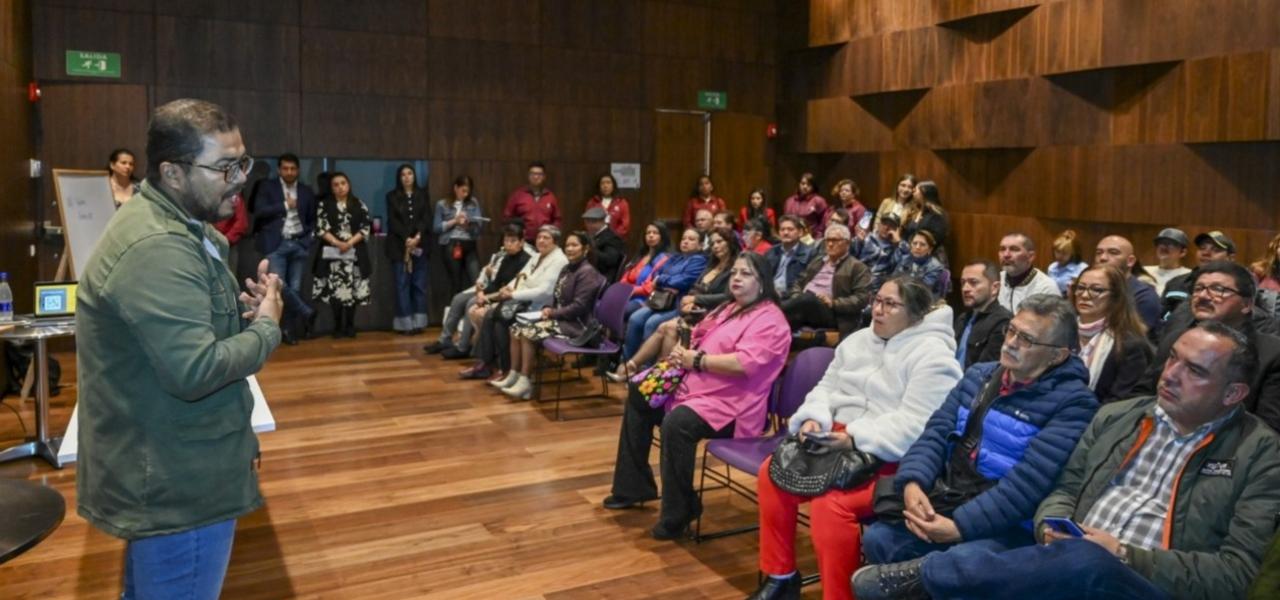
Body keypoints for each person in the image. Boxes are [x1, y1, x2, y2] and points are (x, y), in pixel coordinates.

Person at [857, 322, 1280, 600]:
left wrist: (1123, 554)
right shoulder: (1120, 416)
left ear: (1233, 394)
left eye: (1195, 371)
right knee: (885, 540)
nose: (1169, 374)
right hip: (1064, 556)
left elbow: (1235, 573)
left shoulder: (1259, 454)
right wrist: (1050, 527)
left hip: (1143, 582)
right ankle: (940, 576)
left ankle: (931, 578)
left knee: (1086, 561)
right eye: (1172, 358)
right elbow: (1064, 489)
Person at [77, 98, 282, 600]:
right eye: (224, 167)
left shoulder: (178, 226)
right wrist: (268, 329)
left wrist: (241, 314)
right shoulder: (157, 247)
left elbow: (185, 328)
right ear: (172, 172)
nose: (239, 179)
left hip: (174, 464)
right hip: (178, 484)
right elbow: (196, 369)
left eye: (244, 163)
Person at [853, 295, 1099, 600]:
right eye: (1011, 330)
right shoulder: (979, 375)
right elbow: (935, 433)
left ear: (1058, 356)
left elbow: (1030, 484)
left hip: (1009, 523)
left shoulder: (1074, 403)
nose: (1010, 342)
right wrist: (913, 482)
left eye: (1027, 339)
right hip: (953, 495)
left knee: (964, 563)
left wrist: (960, 527)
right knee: (880, 539)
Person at [745, 277, 963, 600]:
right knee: (771, 474)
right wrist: (813, 419)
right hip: (835, 438)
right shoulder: (858, 340)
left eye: (890, 304)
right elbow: (826, 388)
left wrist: (855, 439)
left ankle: (840, 595)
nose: (878, 309)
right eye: (877, 300)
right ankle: (781, 577)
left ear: (915, 314)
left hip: (891, 457)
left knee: (830, 506)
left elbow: (918, 426)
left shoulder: (934, 357)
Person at [604, 253, 791, 541]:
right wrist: (683, 349)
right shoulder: (730, 307)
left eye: (747, 274)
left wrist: (698, 360)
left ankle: (679, 512)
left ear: (763, 282)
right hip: (696, 388)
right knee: (639, 394)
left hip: (732, 406)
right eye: (736, 272)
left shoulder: (771, 320)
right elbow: (700, 334)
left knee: (677, 424)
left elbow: (744, 364)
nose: (737, 278)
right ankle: (633, 486)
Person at [1133, 262, 1280, 431]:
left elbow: (1268, 428)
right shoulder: (1177, 338)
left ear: (1246, 305)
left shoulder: (1272, 354)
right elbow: (1142, 393)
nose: (1203, 296)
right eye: (1198, 288)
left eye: (1218, 289)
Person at [495, 231, 606, 399]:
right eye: (567, 245)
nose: (569, 249)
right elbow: (558, 297)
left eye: (574, 245)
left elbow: (579, 307)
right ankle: (514, 375)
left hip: (577, 325)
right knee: (515, 328)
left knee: (527, 332)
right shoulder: (568, 268)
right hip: (562, 318)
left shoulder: (587, 272)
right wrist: (549, 308)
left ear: (585, 249)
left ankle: (525, 383)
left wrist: (552, 313)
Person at [462, 225, 568, 381]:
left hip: (542, 307)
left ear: (555, 241)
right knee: (492, 314)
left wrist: (513, 295)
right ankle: (486, 363)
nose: (541, 241)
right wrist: (507, 289)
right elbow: (520, 277)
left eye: (546, 238)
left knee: (501, 320)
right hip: (524, 301)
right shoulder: (537, 256)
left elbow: (545, 291)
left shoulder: (559, 260)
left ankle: (506, 369)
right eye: (539, 237)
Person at [428, 223, 532, 358]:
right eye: (506, 240)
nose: (509, 244)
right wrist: (482, 293)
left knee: (471, 303)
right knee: (460, 298)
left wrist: (486, 296)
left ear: (521, 242)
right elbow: (495, 283)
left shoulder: (526, 260)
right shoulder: (506, 257)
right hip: (495, 291)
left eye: (513, 241)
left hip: (509, 297)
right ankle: (446, 340)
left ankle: (463, 346)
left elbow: (513, 287)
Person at [253, 152, 317, 344]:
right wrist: (284, 205)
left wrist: (308, 238)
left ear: (298, 170)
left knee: (295, 289)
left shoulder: (306, 191)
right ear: (279, 170)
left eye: (293, 169)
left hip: (299, 243)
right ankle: (306, 312)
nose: (289, 172)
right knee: (279, 285)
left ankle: (288, 331)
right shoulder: (267, 187)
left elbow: (313, 218)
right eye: (285, 168)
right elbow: (259, 211)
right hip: (276, 243)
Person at [1072, 265, 1154, 403]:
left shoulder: (1130, 346)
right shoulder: (1061, 332)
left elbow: (1119, 402)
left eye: (1096, 290)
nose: (1085, 295)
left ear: (1115, 296)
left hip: (1099, 419)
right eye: (1080, 288)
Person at [623, 229, 709, 360]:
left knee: (652, 323)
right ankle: (626, 362)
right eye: (684, 238)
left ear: (701, 245)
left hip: (677, 304)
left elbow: (684, 281)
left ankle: (646, 368)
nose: (685, 242)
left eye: (691, 239)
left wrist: (663, 281)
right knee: (636, 318)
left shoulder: (699, 260)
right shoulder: (676, 257)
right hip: (659, 300)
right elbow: (657, 274)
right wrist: (667, 282)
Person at [781, 223, 872, 339]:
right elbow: (799, 282)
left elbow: (862, 299)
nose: (829, 244)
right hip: (804, 305)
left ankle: (773, 311)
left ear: (847, 243)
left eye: (835, 240)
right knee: (787, 303)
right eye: (827, 240)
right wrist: (796, 295)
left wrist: (834, 302)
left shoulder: (858, 267)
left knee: (807, 299)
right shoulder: (818, 261)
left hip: (833, 313)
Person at [312, 172, 371, 339]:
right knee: (335, 292)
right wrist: (338, 243)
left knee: (352, 292)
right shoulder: (325, 204)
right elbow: (321, 228)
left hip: (354, 255)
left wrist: (349, 243)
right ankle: (337, 326)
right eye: (336, 184)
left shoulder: (359, 204)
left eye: (343, 183)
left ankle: (350, 325)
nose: (340, 187)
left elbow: (365, 228)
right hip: (333, 255)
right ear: (331, 188)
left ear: (349, 184)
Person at [386, 164, 429, 335]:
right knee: (402, 284)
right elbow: (393, 221)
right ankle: (405, 323)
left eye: (410, 173)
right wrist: (407, 239)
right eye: (403, 174)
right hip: (399, 246)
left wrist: (417, 238)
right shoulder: (391, 196)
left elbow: (426, 218)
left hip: (421, 244)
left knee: (419, 285)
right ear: (399, 177)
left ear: (414, 176)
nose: (407, 177)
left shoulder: (423, 195)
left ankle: (419, 322)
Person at [1161, 230, 1238, 319]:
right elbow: (1160, 319)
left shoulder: (1239, 287)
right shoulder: (1176, 283)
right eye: (1202, 248)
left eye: (1216, 250)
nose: (1206, 253)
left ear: (1230, 258)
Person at [1094, 235, 1162, 330]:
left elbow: (1134, 338)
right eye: (1098, 252)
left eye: (1113, 253)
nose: (1103, 258)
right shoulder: (1090, 289)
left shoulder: (1144, 296)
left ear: (1130, 261)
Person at [954, 260, 1011, 369]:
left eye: (973, 282)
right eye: (963, 282)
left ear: (994, 288)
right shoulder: (962, 319)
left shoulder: (1003, 322)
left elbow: (985, 372)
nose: (965, 289)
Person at [434, 174, 484, 299]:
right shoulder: (442, 204)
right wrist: (454, 221)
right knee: (456, 282)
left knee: (476, 279)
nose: (466, 194)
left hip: (469, 242)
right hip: (452, 243)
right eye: (463, 191)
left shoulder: (473, 203)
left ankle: (473, 310)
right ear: (456, 188)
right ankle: (454, 312)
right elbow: (436, 228)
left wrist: (468, 225)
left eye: (468, 191)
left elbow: (479, 228)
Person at [997, 233, 1060, 314]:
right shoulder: (995, 279)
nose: (1006, 255)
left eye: (1014, 249)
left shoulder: (1046, 288)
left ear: (1030, 256)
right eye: (1002, 249)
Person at [620, 221, 673, 315]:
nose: (651, 235)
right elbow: (627, 275)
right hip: (628, 294)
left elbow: (650, 287)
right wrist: (623, 287)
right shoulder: (641, 255)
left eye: (655, 233)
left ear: (663, 236)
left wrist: (631, 290)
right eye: (648, 233)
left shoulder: (665, 258)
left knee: (621, 310)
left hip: (646, 299)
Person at [503, 161, 561, 243]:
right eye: (533, 174)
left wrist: (551, 233)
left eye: (539, 174)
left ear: (544, 177)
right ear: (528, 176)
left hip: (544, 241)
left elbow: (557, 219)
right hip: (523, 241)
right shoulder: (518, 195)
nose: (536, 177)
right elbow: (507, 217)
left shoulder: (550, 197)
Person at [766, 215, 816, 298]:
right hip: (770, 295)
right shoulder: (771, 252)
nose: (785, 233)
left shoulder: (810, 253)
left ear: (800, 232)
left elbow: (807, 282)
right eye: (782, 229)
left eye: (790, 229)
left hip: (792, 298)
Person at [857, 211, 907, 293]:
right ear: (879, 224)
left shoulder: (896, 248)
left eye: (891, 226)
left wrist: (899, 242)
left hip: (878, 289)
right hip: (859, 281)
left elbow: (905, 263)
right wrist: (858, 242)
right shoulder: (865, 238)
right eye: (884, 224)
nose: (886, 228)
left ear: (896, 230)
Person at [900, 180, 948, 261]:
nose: (913, 192)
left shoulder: (936, 214)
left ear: (924, 193)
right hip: (911, 254)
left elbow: (935, 239)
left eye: (916, 190)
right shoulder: (915, 211)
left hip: (931, 258)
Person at [893, 231, 947, 299]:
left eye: (922, 244)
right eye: (915, 243)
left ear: (930, 249)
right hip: (903, 297)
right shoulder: (905, 259)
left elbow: (921, 290)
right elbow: (893, 279)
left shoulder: (935, 267)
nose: (917, 247)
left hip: (924, 302)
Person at [212, 192, 249, 282]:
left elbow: (241, 223)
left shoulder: (234, 196)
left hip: (228, 245)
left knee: (228, 280)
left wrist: (225, 240)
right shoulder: (204, 194)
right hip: (205, 243)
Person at [1144, 228, 1191, 296]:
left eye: (1170, 244)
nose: (1163, 246)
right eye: (1160, 243)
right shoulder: (1144, 271)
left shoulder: (1189, 275)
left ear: (1183, 252)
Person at [584, 206, 625, 281]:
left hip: (602, 277)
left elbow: (610, 260)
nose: (587, 225)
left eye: (591, 222)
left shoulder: (612, 238)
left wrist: (590, 250)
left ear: (601, 221)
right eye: (587, 222)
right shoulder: (592, 236)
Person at [784, 172, 830, 238]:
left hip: (811, 238)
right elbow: (786, 220)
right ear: (799, 184)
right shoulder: (789, 201)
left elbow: (824, 221)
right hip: (792, 237)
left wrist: (818, 236)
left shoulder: (819, 201)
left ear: (813, 186)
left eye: (809, 184)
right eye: (803, 184)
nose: (805, 186)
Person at [584, 173, 631, 237]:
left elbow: (624, 225)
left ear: (613, 185)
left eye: (608, 183)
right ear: (599, 186)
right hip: (597, 239)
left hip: (616, 240)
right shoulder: (592, 203)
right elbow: (588, 222)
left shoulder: (621, 202)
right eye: (602, 183)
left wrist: (612, 237)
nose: (605, 186)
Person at [1046, 229, 1088, 295]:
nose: (1060, 256)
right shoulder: (1052, 267)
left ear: (1073, 253)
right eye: (1058, 252)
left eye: (1064, 253)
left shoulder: (1081, 268)